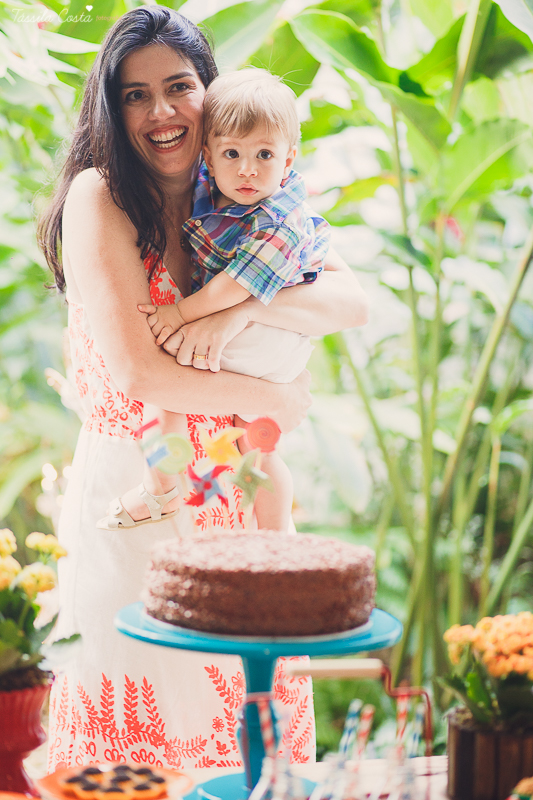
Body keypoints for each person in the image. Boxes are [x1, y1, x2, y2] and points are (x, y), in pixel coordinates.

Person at [38, 6, 368, 771]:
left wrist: (238, 307)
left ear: (208, 93)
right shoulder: (101, 196)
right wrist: (274, 401)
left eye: (178, 86)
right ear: (112, 109)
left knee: (248, 749)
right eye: (134, 94)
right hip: (136, 491)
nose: (160, 111)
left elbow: (350, 301)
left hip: (235, 495)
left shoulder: (244, 177)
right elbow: (138, 371)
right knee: (139, 760)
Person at [97, 68, 330, 534]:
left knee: (165, 387)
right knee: (256, 450)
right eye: (232, 154)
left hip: (265, 339)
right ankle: (276, 531)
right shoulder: (219, 187)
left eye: (265, 154)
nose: (247, 169)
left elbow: (234, 287)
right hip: (264, 336)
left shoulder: (278, 219)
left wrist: (180, 314)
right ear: (208, 156)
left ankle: (160, 487)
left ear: (289, 162)